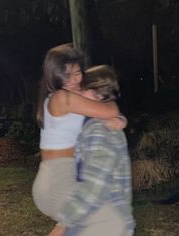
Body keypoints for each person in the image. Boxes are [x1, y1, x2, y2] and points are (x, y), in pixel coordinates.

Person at [32, 44, 126, 222]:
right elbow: (110, 109)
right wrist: (114, 115)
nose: (73, 80)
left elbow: (104, 111)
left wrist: (117, 119)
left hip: (59, 178)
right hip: (57, 181)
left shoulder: (73, 97)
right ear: (54, 76)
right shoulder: (62, 98)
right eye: (66, 75)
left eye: (77, 73)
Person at [48, 65, 135, 236]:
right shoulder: (96, 125)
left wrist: (63, 224)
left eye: (81, 90)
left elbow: (95, 187)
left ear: (99, 96)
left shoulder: (99, 131)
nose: (76, 95)